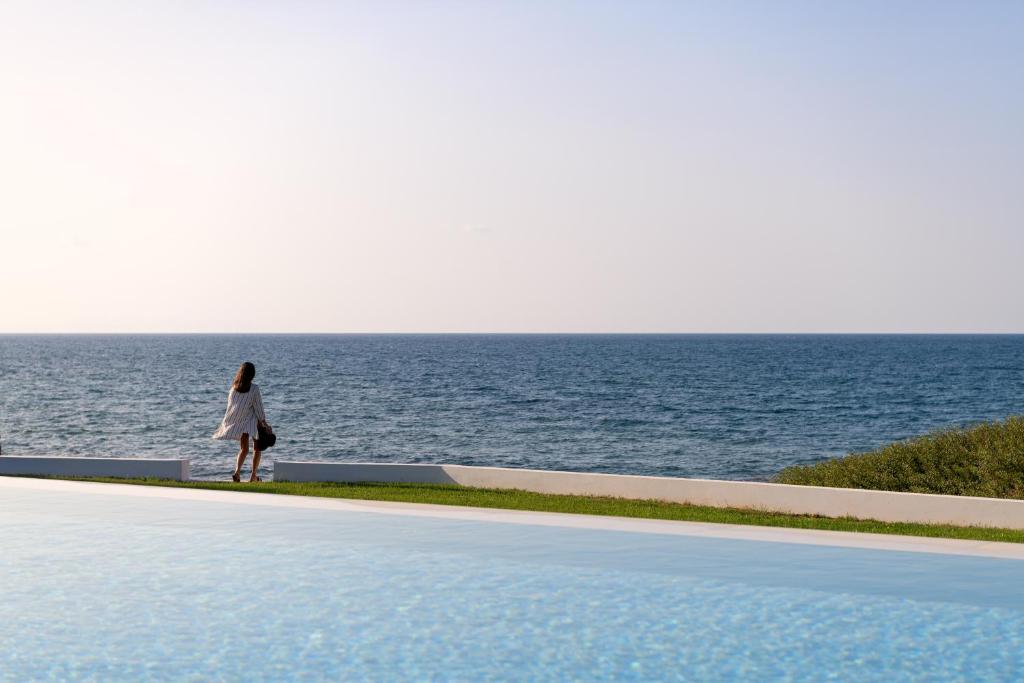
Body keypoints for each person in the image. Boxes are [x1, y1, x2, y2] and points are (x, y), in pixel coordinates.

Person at [212, 361, 272, 482]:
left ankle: (237, 472)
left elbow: (231, 407)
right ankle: (253, 476)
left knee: (244, 449)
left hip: (239, 421)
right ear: (252, 375)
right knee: (257, 448)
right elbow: (258, 407)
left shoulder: (233, 389)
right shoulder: (254, 389)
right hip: (252, 423)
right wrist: (265, 423)